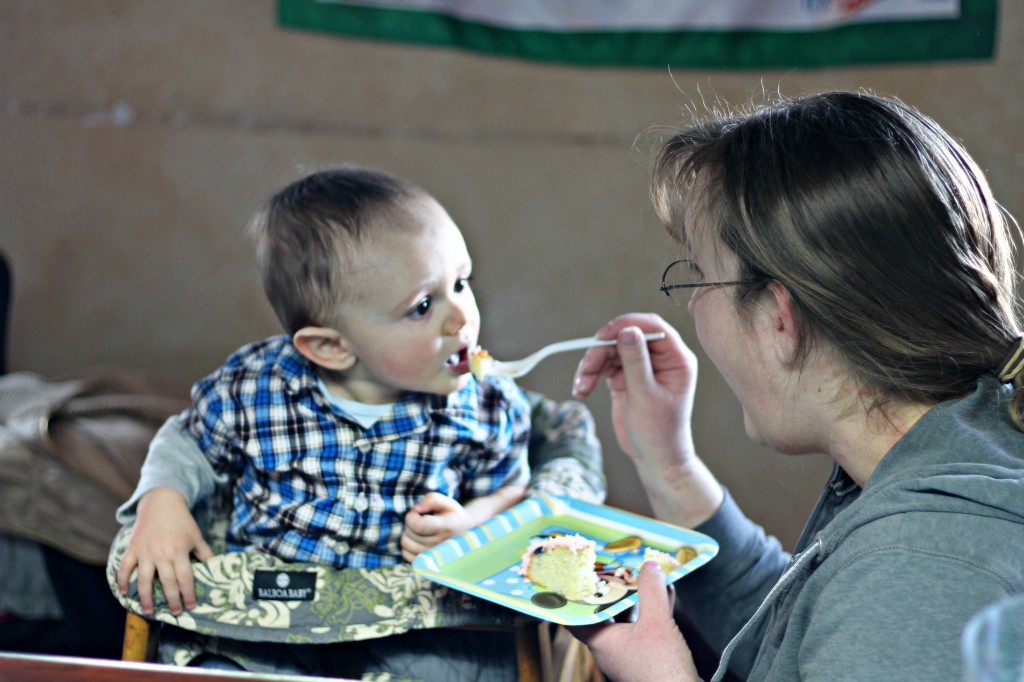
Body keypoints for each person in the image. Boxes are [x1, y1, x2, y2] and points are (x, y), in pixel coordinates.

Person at [568, 91, 1024, 681]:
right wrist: (670, 466)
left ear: (781, 320)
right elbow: (807, 632)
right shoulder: (957, 446)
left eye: (703, 279)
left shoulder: (920, 563)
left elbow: (879, 610)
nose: (696, 309)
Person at [116, 165, 546, 617]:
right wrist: (161, 503)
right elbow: (187, 442)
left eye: (460, 283)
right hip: (268, 616)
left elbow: (512, 488)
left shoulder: (485, 404)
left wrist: (469, 526)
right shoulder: (254, 390)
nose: (462, 318)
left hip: (407, 621)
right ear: (331, 347)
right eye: (422, 306)